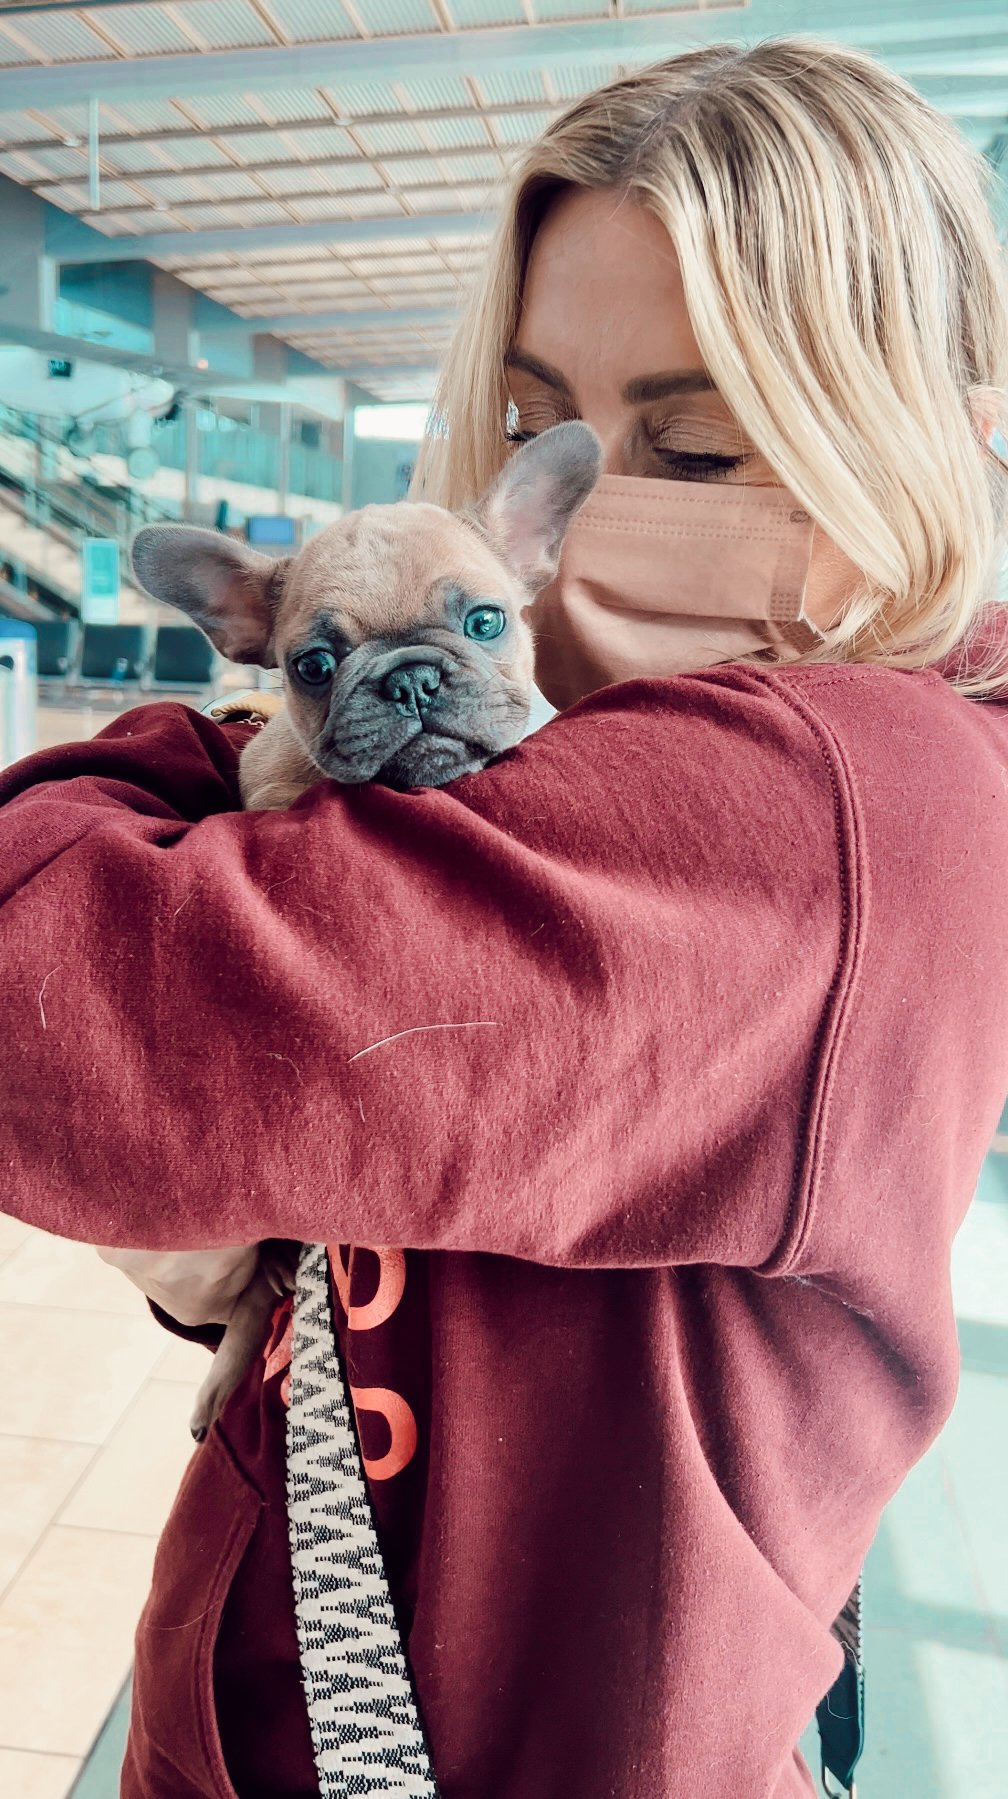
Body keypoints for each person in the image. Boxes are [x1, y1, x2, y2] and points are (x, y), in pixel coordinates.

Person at [2, 35, 1007, 1799]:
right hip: (263, 1688)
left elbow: (49, 1012)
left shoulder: (841, 804)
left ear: (936, 437)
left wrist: (199, 771)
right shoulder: (588, 743)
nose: (594, 496)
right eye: (543, 427)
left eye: (694, 446)